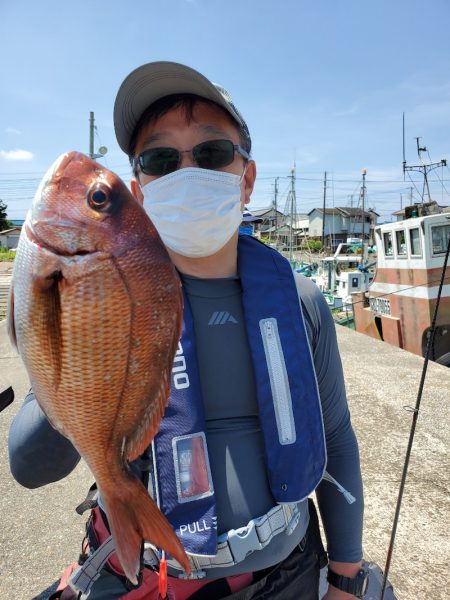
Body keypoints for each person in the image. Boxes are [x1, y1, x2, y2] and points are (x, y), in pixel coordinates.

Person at [8, 61, 366, 600]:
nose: (186, 171)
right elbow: (27, 466)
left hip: (288, 571)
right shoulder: (105, 301)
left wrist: (346, 576)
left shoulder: (301, 301)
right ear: (140, 189)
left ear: (246, 178)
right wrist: (67, 378)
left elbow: (336, 438)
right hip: (151, 578)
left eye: (212, 153)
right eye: (159, 159)